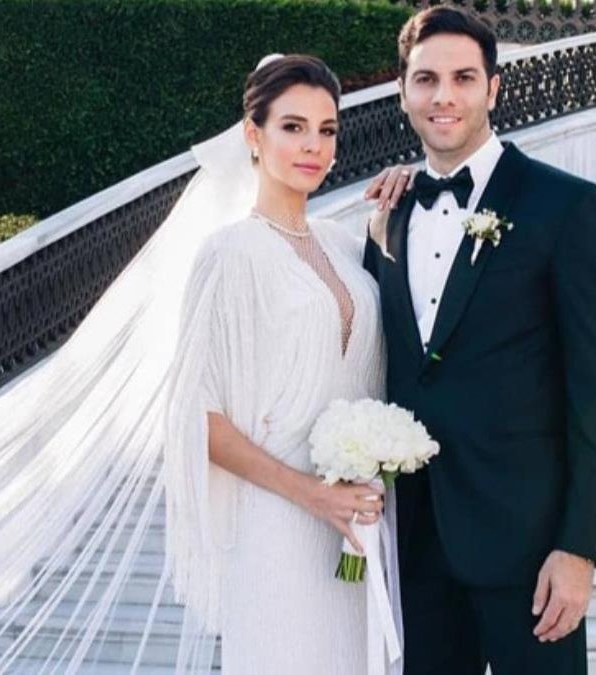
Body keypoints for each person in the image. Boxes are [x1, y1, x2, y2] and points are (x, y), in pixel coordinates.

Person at [361, 7, 596, 674]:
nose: (444, 96)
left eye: (463, 78)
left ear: (493, 88)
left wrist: (580, 547)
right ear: (403, 92)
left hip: (531, 552)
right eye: (426, 79)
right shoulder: (388, 216)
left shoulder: (565, 206)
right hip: (417, 549)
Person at [163, 54, 405, 675]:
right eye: (293, 127)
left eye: (327, 130)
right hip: (276, 524)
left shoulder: (343, 243)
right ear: (254, 134)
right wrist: (312, 495)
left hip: (355, 527)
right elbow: (197, 417)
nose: (314, 146)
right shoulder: (229, 254)